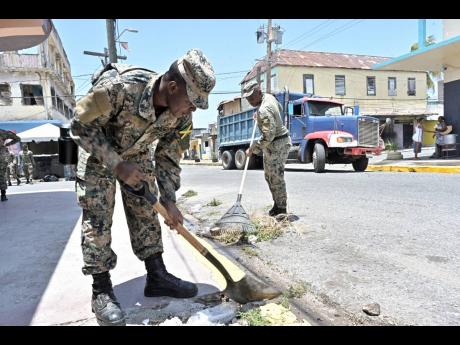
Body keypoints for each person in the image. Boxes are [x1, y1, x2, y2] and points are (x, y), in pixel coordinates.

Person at [70, 49, 215, 326]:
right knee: (97, 220)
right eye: (192, 101)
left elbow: (169, 155)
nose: (193, 108)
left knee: (147, 213)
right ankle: (101, 290)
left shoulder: (181, 115)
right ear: (172, 87)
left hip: (136, 155)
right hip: (99, 153)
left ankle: (157, 276)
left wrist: (170, 200)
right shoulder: (119, 88)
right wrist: (116, 164)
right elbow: (79, 124)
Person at [242, 80, 291, 217]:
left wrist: (252, 149)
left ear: (259, 92)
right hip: (274, 144)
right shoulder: (268, 97)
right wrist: (260, 118)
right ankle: (277, 204)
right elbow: (279, 109)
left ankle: (281, 209)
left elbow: (267, 136)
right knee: (269, 176)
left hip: (277, 144)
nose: (250, 101)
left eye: (252, 97)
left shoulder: (264, 109)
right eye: (248, 98)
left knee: (276, 177)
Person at [0, 129, 21, 201]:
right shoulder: (3, 132)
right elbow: (17, 138)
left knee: (1, 174)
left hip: (2, 155)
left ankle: (3, 194)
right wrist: (8, 144)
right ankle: (3, 195)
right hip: (2, 155)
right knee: (1, 174)